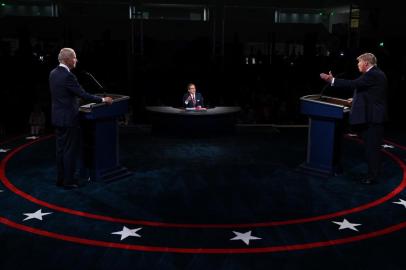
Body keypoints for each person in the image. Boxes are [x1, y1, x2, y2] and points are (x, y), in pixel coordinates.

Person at [49, 48, 113, 188]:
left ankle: (61, 179)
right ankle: (69, 181)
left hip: (57, 118)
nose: (76, 60)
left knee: (60, 150)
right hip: (68, 119)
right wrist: (103, 99)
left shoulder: (53, 73)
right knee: (69, 151)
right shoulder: (68, 76)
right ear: (67, 59)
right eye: (74, 57)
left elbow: (64, 96)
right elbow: (83, 94)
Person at [320, 52, 387, 184]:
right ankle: (372, 173)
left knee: (371, 148)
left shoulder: (373, 74)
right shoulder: (374, 74)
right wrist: (355, 99)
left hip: (373, 118)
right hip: (371, 116)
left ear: (366, 63)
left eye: (359, 62)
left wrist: (331, 80)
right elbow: (368, 92)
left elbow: (353, 84)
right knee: (370, 147)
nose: (357, 65)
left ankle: (372, 176)